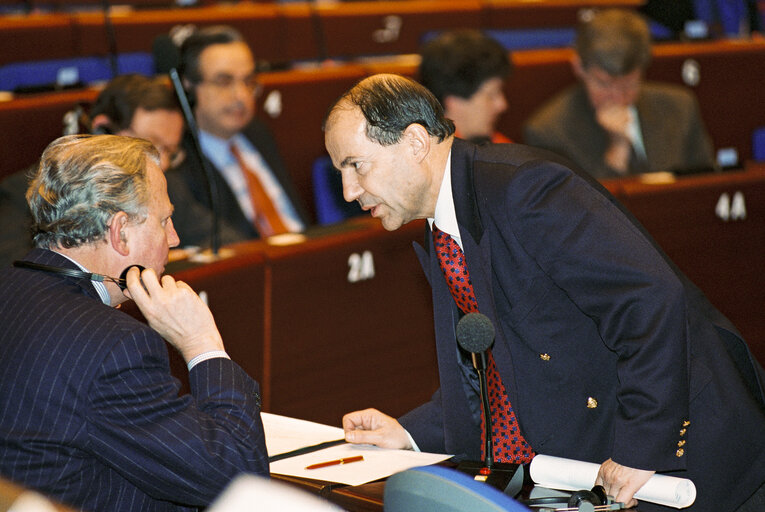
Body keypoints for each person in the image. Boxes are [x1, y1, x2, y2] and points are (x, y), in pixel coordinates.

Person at [324, 74, 765, 512]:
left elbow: (648, 301)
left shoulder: (524, 189)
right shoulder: (444, 222)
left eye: (356, 165)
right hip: (610, 450)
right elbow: (499, 370)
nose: (348, 191)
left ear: (416, 143)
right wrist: (410, 432)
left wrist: (642, 446)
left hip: (691, 454)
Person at [0, 134, 269, 511]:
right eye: (164, 220)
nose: (174, 238)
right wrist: (203, 345)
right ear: (119, 231)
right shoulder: (113, 347)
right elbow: (239, 481)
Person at [0, 74, 239, 268]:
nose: (162, 164)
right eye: (151, 146)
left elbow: (227, 241)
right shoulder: (23, 194)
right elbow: (18, 275)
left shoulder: (165, 185)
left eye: (171, 151)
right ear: (102, 130)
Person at [523, 9, 716, 179]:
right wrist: (617, 152)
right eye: (604, 84)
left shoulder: (680, 107)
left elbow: (705, 186)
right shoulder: (550, 131)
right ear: (579, 67)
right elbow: (574, 213)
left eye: (629, 84)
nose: (618, 98)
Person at [170, 25, 309, 241]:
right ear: (188, 86)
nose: (241, 96)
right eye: (224, 82)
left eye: (248, 81)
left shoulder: (258, 133)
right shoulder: (176, 156)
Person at [419, 29, 512, 145]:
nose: (502, 105)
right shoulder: (424, 158)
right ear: (453, 101)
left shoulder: (501, 147)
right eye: (491, 95)